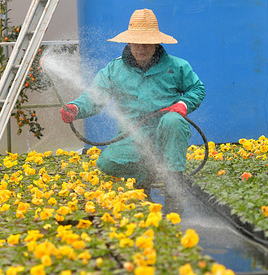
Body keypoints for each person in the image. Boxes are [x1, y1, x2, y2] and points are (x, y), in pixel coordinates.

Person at [60, 8, 205, 192]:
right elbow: (95, 95)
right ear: (128, 42)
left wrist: (183, 104)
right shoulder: (114, 69)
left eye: (146, 43)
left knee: (173, 120)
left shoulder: (177, 67)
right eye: (136, 43)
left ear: (157, 43)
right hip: (132, 135)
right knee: (107, 162)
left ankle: (173, 184)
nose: (141, 48)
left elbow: (197, 89)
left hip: (166, 133)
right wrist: (76, 107)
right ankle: (145, 177)